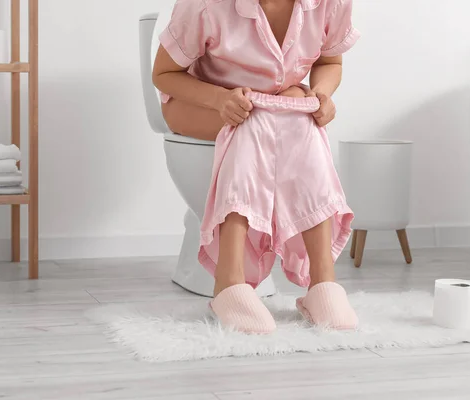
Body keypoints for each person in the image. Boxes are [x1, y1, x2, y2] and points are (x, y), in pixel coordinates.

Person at [153, 0, 360, 334]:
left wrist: (321, 94)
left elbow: (329, 60)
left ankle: (323, 284)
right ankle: (230, 282)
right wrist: (220, 100)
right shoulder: (206, 4)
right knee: (252, 121)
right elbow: (163, 75)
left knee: (301, 120)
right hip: (197, 103)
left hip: (271, 103)